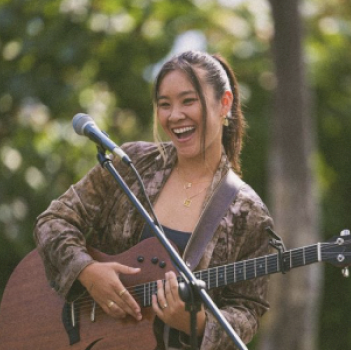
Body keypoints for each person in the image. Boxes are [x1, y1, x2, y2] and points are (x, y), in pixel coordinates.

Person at [34, 50, 274, 350]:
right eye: (164, 105)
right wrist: (86, 271)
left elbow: (247, 311)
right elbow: (54, 221)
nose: (175, 116)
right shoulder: (132, 164)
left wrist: (196, 322)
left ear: (224, 103)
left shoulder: (247, 212)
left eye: (188, 101)